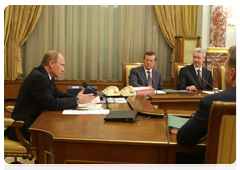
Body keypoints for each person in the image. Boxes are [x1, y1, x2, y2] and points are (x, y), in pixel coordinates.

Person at [7, 50, 95, 142]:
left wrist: (77, 98)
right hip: (25, 127)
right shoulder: (38, 77)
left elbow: (57, 94)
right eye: (62, 65)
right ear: (51, 63)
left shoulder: (46, 75)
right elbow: (52, 103)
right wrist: (77, 100)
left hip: (36, 121)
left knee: (64, 129)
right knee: (62, 135)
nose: (63, 70)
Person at [177, 45, 238, 169]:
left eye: (225, 68)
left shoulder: (212, 102)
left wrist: (208, 132)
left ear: (232, 73)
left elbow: (183, 138)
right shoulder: (185, 70)